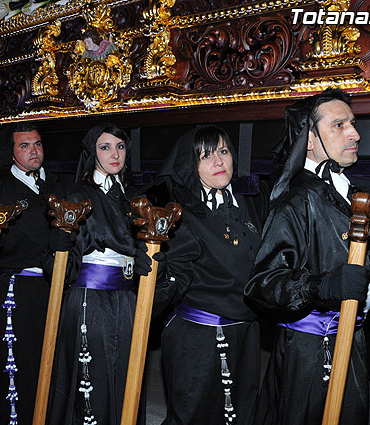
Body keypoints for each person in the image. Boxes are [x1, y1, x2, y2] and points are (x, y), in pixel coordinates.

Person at [245, 88, 370, 425]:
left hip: (350, 339)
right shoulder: (296, 199)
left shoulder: (347, 190)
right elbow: (262, 283)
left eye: (352, 123)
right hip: (310, 351)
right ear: (308, 139)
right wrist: (324, 286)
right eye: (339, 125)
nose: (355, 133)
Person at [147, 125, 268, 425]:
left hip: (247, 335)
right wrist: (155, 275)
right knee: (195, 414)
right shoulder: (179, 216)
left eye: (224, 152)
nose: (219, 162)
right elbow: (168, 283)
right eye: (206, 156)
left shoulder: (252, 203)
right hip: (198, 341)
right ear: (191, 165)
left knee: (243, 412)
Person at [0, 122, 64, 425]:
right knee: (16, 364)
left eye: (38, 144)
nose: (34, 151)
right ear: (11, 152)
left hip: (55, 287)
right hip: (17, 291)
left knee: (52, 363)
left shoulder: (56, 186)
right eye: (25, 146)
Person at [46, 123, 149, 425]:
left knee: (126, 376)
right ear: (92, 153)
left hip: (127, 300)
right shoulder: (78, 195)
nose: (115, 154)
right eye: (105, 147)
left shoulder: (132, 197)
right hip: (91, 301)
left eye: (120, 146)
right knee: (94, 382)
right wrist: (56, 249)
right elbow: (63, 266)